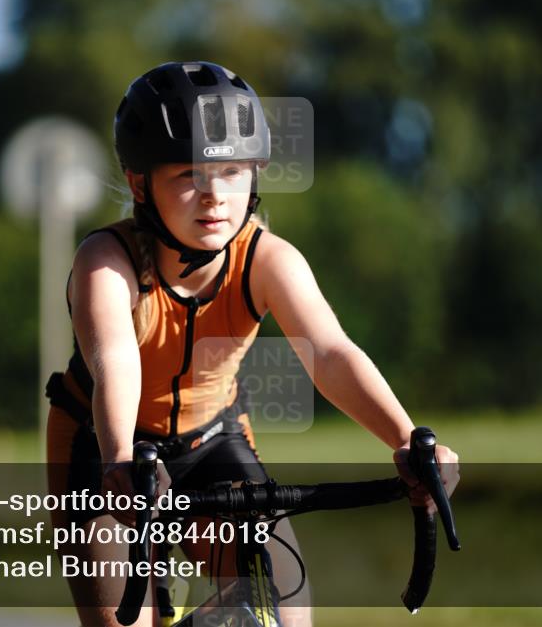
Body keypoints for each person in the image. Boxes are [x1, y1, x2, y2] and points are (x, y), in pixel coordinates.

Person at [45, 61, 460, 627]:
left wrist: (408, 440)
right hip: (105, 449)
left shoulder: (267, 259)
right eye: (189, 174)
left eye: (234, 170)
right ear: (140, 182)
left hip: (212, 441)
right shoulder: (106, 262)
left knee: (283, 613)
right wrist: (120, 458)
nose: (215, 195)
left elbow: (331, 352)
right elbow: (115, 360)